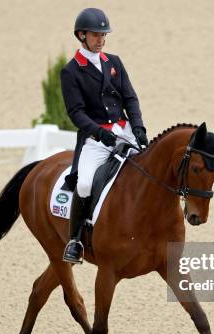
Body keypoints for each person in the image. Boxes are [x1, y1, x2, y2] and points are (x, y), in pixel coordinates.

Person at [60, 8, 148, 264]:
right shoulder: (71, 71)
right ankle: (75, 241)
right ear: (82, 35)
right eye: (96, 35)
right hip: (95, 138)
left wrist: (139, 127)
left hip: (125, 131)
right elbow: (76, 113)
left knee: (151, 169)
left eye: (103, 35)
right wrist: (100, 133)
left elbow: (130, 98)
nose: (101, 39)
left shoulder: (114, 62)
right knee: (86, 183)